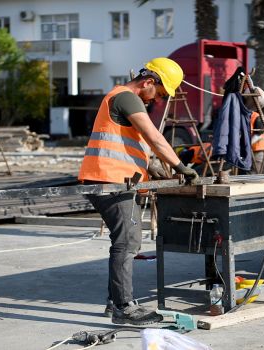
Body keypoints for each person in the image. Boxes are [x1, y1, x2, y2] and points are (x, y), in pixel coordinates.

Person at [77, 57, 199, 326]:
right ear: (148, 82)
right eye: (160, 93)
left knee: (125, 240)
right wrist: (182, 168)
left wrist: (151, 166)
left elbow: (134, 143)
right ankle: (124, 307)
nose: (157, 100)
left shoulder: (124, 100)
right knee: (128, 241)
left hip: (113, 180)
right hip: (110, 182)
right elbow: (155, 138)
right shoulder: (127, 98)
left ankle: (114, 302)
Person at [246, 87, 264, 172]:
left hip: (258, 147)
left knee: (255, 171)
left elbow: (258, 134)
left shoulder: (256, 117)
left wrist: (247, 144)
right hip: (254, 147)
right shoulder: (252, 115)